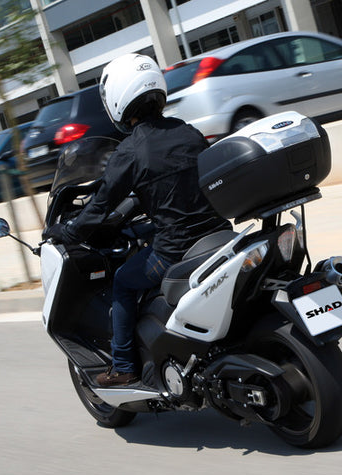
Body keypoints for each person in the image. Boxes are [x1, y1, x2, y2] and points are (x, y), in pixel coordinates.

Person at [44, 53, 231, 387]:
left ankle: (123, 366)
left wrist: (68, 231)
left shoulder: (131, 150)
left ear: (117, 99)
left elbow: (100, 205)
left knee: (124, 281)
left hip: (174, 250)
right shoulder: (188, 132)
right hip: (218, 235)